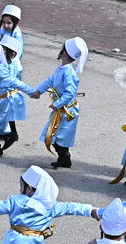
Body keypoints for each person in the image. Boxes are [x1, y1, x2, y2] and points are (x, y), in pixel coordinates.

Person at [30, 37, 87, 170]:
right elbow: (51, 80)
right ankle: (64, 158)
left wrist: (57, 104)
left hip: (67, 111)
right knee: (57, 135)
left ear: (64, 53)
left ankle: (64, 158)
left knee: (56, 136)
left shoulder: (68, 73)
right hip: (61, 109)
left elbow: (69, 93)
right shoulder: (62, 69)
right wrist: (39, 91)